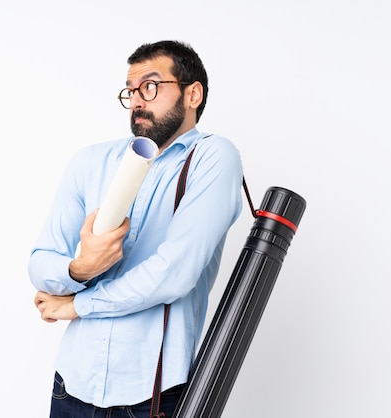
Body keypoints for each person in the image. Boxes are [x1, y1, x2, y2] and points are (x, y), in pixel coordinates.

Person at [29, 40, 244, 417]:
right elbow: (41, 262)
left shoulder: (213, 157)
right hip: (72, 385)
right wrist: (81, 268)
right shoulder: (90, 161)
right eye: (130, 91)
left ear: (193, 93)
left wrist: (78, 305)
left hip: (151, 395)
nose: (137, 101)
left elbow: (173, 274)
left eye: (150, 86)